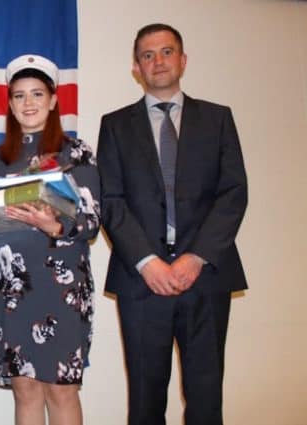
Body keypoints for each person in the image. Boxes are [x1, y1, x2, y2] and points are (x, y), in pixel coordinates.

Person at [97, 23, 248, 425]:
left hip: (206, 278)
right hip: (141, 282)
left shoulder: (217, 119)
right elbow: (110, 201)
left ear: (183, 60)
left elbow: (233, 193)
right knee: (145, 402)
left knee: (206, 398)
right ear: (136, 67)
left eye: (167, 52)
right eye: (147, 55)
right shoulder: (115, 125)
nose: (158, 61)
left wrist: (196, 257)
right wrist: (148, 262)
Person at [0, 54, 100, 425]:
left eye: (37, 94)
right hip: (9, 287)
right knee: (24, 389)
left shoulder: (76, 153)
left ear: (53, 100)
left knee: (61, 390)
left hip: (60, 286)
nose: (28, 103)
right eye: (19, 95)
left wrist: (53, 225)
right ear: (10, 104)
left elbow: (91, 223)